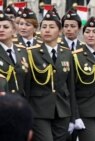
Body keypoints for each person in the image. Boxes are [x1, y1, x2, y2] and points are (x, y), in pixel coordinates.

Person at [25, 10, 76, 141]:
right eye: (44, 27)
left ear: (60, 31)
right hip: (39, 109)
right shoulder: (31, 53)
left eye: (52, 27)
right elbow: (27, 86)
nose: (47, 30)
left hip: (62, 109)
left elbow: (70, 87)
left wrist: (73, 116)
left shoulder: (67, 54)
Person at [0, 11, 29, 96]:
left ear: (13, 30)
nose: (1, 30)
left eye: (5, 27)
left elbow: (27, 80)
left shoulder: (23, 51)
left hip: (20, 102)